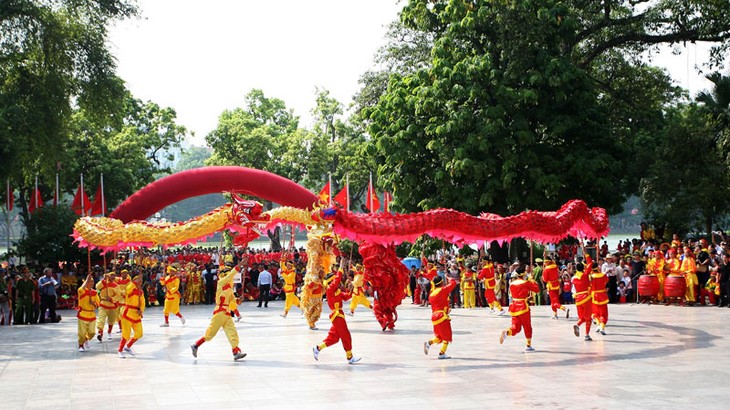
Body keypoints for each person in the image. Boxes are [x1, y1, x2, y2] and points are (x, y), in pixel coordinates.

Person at [190, 266, 247, 361]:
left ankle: (235, 351)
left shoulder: (229, 288)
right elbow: (230, 275)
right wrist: (240, 265)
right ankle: (196, 345)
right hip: (220, 312)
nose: (231, 277)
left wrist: (238, 300)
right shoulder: (221, 283)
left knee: (232, 333)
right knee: (210, 334)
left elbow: (232, 300)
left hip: (227, 313)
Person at [312, 270, 361, 364]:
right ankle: (349, 357)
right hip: (337, 315)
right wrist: (341, 270)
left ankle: (318, 348)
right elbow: (337, 281)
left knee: (334, 338)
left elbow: (346, 297)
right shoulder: (330, 289)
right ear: (331, 281)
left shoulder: (336, 291)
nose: (337, 282)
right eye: (334, 280)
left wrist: (351, 289)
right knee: (345, 335)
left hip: (339, 315)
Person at [499, 266, 541, 352]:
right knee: (527, 326)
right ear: (524, 273)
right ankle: (528, 345)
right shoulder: (525, 283)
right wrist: (531, 280)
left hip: (514, 306)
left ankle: (507, 332)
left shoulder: (512, 283)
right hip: (523, 307)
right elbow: (537, 289)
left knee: (516, 327)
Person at [423, 275, 458, 359]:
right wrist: (448, 277)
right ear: (441, 282)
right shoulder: (442, 290)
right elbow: (453, 283)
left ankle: (429, 343)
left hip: (434, 317)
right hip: (441, 316)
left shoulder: (431, 294)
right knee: (447, 336)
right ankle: (442, 353)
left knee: (439, 337)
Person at [118, 274, 145, 358]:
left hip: (136, 314)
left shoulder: (141, 292)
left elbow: (142, 302)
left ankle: (128, 346)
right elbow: (128, 290)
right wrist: (134, 282)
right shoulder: (130, 288)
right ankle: (120, 350)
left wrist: (141, 310)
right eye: (138, 281)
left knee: (139, 333)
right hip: (128, 312)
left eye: (141, 281)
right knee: (126, 334)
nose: (140, 283)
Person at [76, 274, 100, 352]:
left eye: (92, 281)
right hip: (82, 313)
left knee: (92, 332)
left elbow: (98, 304)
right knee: (82, 332)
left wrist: (93, 303)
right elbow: (81, 289)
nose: (92, 283)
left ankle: (86, 339)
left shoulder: (95, 292)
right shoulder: (82, 291)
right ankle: (81, 345)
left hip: (91, 314)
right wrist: (87, 279)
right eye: (90, 281)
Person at [571, 258, 593, 341]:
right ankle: (587, 335)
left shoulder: (573, 278)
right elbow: (590, 263)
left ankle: (578, 324)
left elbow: (573, 289)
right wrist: (585, 252)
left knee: (582, 317)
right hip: (586, 298)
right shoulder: (585, 275)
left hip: (578, 299)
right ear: (583, 268)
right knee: (588, 318)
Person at [95, 271, 119, 341]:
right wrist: (103, 279)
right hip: (103, 304)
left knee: (111, 320)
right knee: (101, 320)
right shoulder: (103, 283)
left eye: (114, 275)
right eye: (111, 275)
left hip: (112, 305)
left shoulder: (116, 286)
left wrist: (111, 299)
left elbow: (118, 295)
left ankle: (109, 332)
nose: (113, 277)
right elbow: (97, 287)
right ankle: (100, 333)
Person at [590, 263, 609, 335]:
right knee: (603, 313)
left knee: (595, 312)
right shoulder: (603, 275)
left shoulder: (591, 277)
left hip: (594, 296)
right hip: (602, 295)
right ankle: (601, 326)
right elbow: (606, 281)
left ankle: (598, 324)